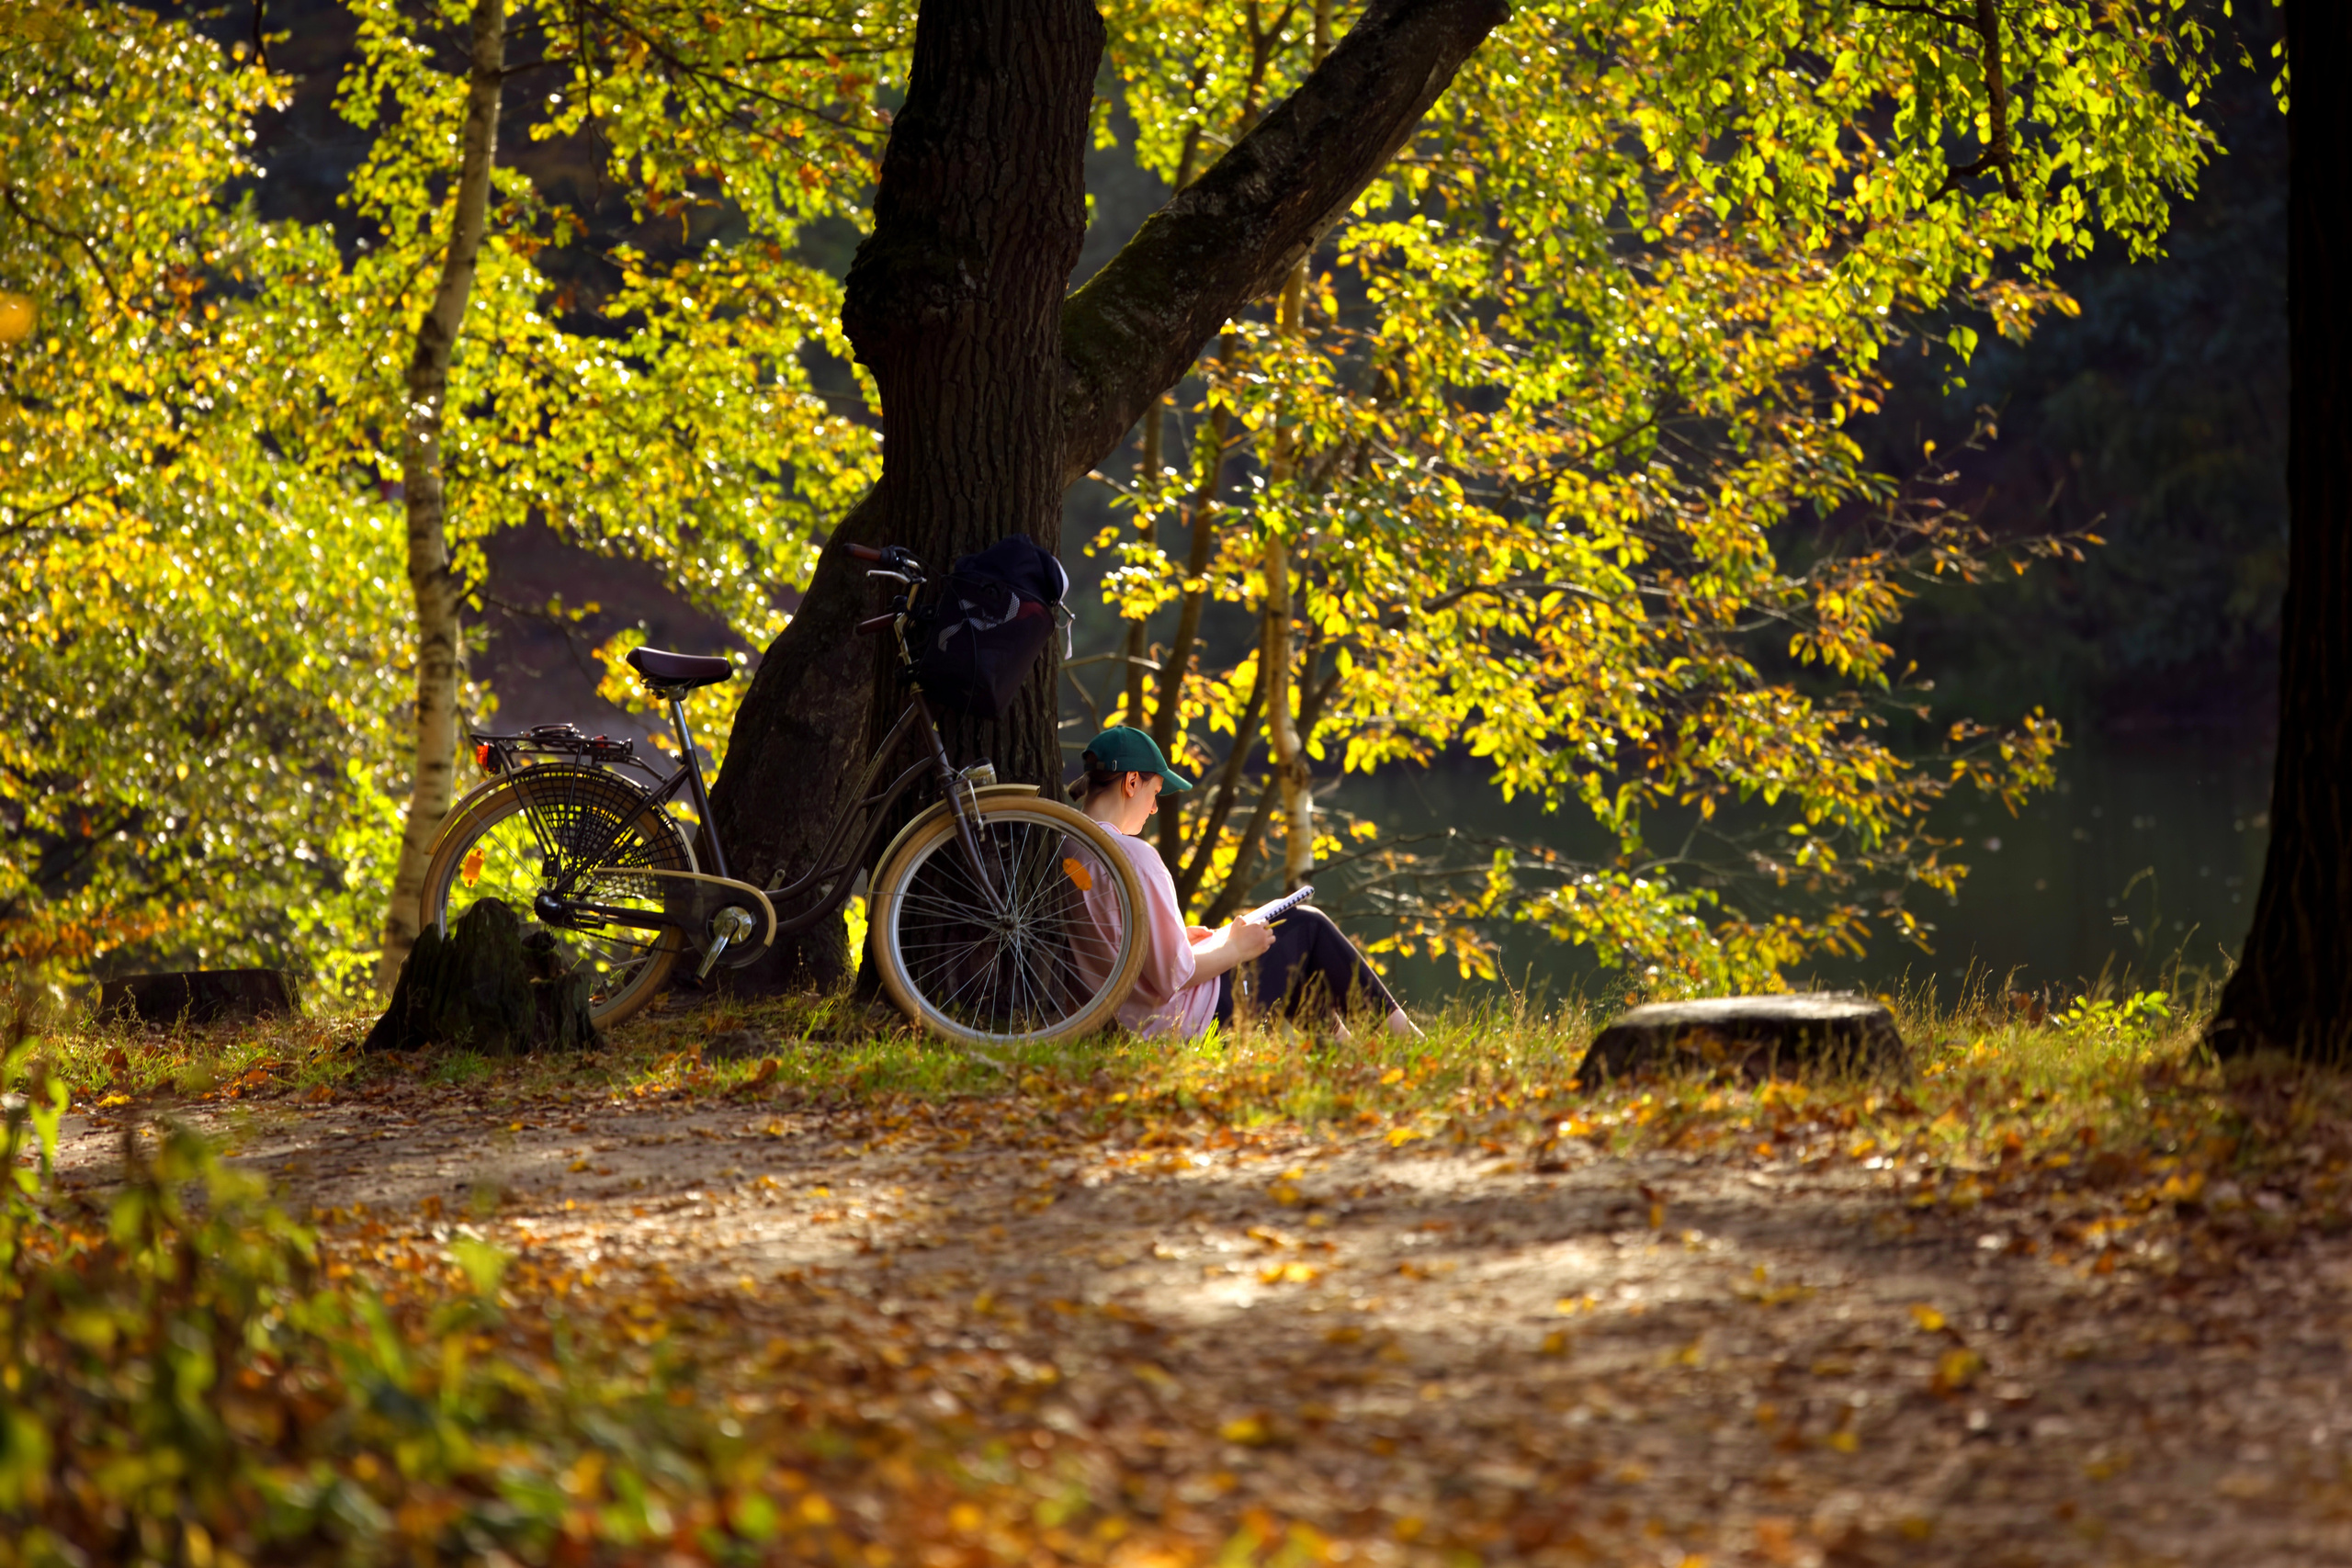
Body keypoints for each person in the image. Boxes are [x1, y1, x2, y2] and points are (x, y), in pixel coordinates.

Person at [1069, 725, 1421, 1041]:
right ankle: (1409, 1042)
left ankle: (1348, 1056)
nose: (1154, 809)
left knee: (1289, 958)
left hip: (1128, 1016)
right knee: (1306, 926)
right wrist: (1236, 948)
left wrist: (1177, 939)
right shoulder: (1135, 857)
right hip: (1184, 1021)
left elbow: (1122, 945)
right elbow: (1173, 977)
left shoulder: (1066, 846)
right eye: (1155, 792)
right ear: (1132, 783)